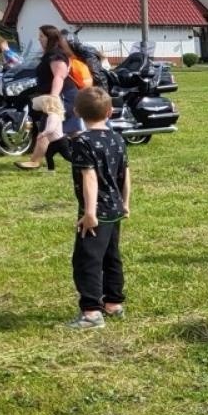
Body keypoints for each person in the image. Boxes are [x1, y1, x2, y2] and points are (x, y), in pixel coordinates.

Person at [52, 87, 130, 330]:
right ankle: (113, 303)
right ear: (110, 112)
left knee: (87, 260)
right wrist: (125, 203)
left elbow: (90, 177)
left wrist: (89, 213)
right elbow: (125, 174)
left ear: (76, 111)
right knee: (110, 256)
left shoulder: (82, 142)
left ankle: (91, 312)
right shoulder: (117, 138)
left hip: (96, 211)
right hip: (115, 207)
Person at [15, 25, 88, 171]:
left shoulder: (56, 55)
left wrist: (54, 97)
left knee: (47, 127)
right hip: (63, 95)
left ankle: (35, 161)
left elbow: (59, 76)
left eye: (42, 36)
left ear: (50, 38)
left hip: (63, 96)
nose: (39, 39)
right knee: (73, 131)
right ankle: (88, 156)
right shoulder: (51, 54)